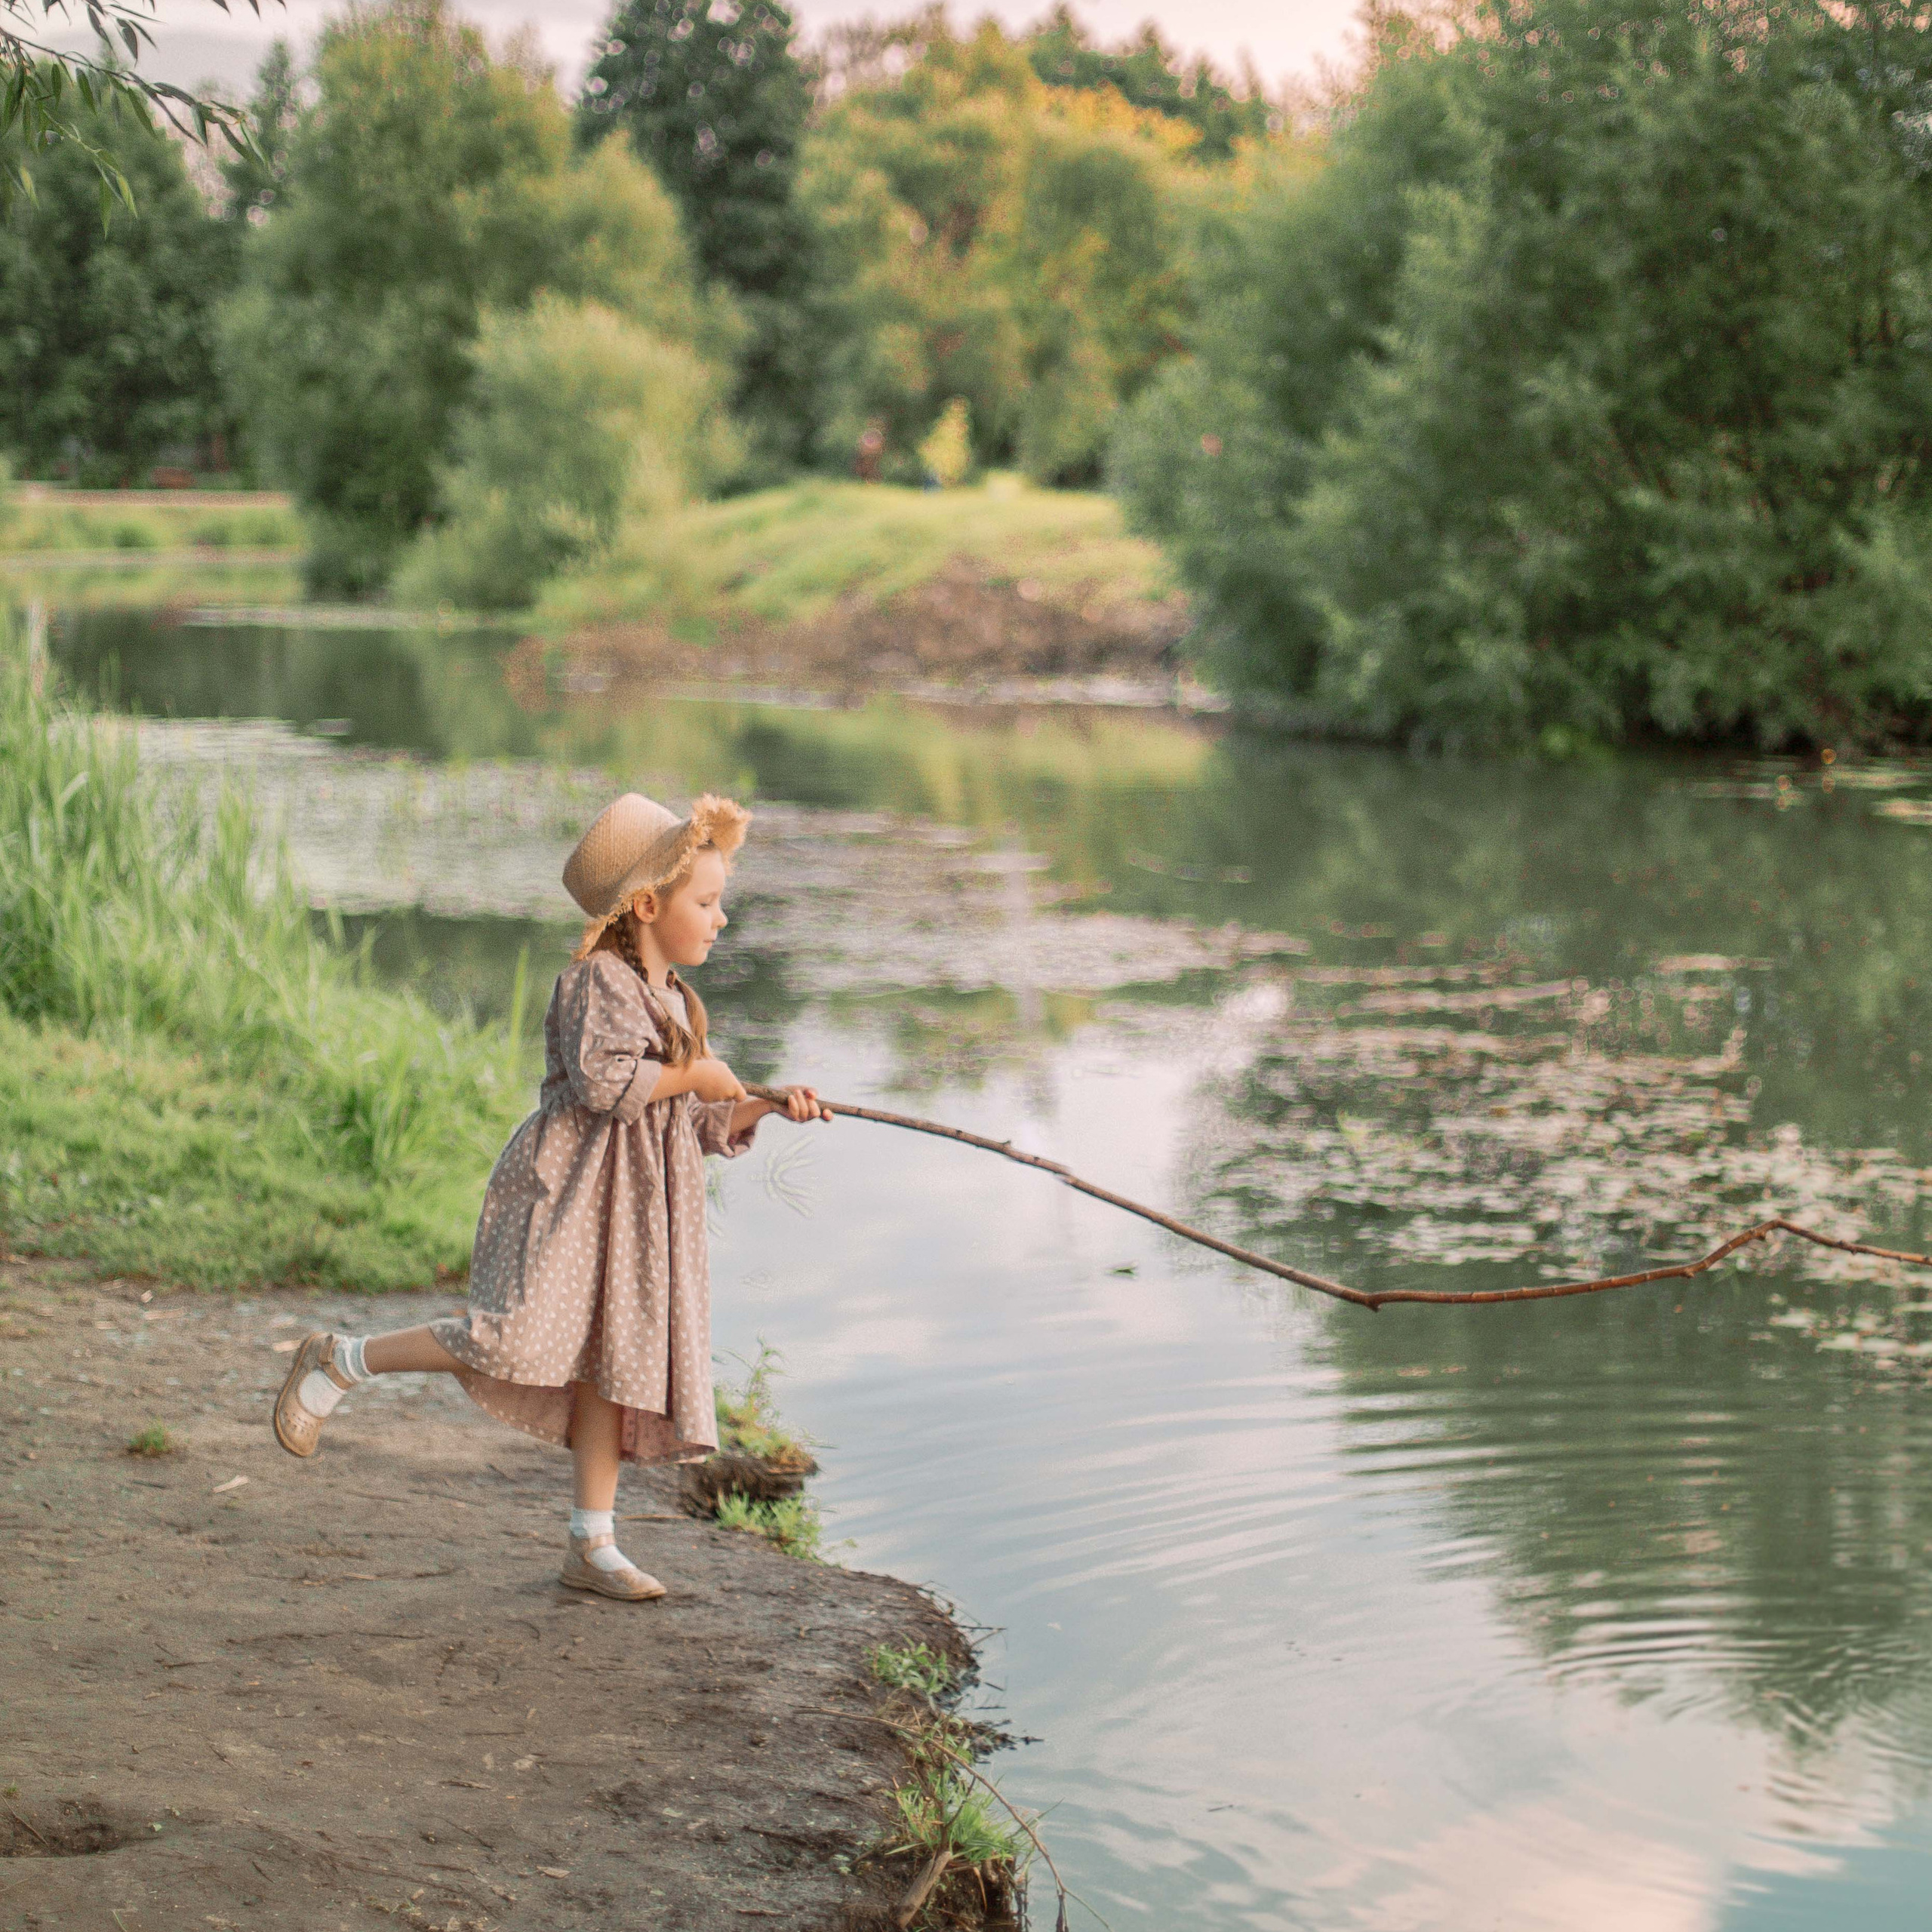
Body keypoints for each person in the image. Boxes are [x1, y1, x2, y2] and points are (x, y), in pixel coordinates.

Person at [271, 791, 830, 1601]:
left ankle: (590, 1545)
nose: (720, 919)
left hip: (634, 1222)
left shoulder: (679, 1002)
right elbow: (609, 1086)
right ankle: (343, 1358)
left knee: (607, 1367)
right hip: (570, 1202)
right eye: (706, 903)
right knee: (506, 1336)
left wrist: (760, 1105)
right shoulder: (595, 981)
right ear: (646, 905)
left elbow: (695, 1125)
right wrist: (692, 1073)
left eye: (720, 903)